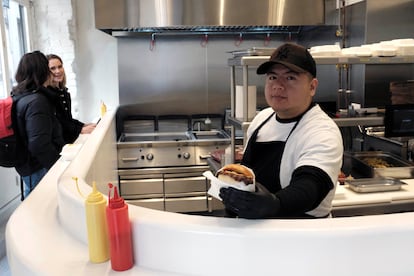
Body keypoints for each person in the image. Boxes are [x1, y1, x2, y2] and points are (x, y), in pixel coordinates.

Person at [219, 43, 344, 219]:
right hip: (257, 231)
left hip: (303, 234)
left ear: (312, 87)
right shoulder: (262, 119)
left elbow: (310, 187)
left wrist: (274, 204)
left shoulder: (322, 131)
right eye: (272, 77)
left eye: (290, 78)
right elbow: (248, 173)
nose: (278, 86)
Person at [12, 51, 65, 198]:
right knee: (41, 206)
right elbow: (38, 144)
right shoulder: (37, 101)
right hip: (38, 166)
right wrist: (57, 166)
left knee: (33, 204)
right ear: (42, 71)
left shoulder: (20, 94)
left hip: (27, 165)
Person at [46, 54, 96, 144]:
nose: (58, 71)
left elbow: (67, 118)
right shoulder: (48, 95)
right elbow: (59, 121)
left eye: (60, 67)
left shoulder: (63, 91)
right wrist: (80, 129)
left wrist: (83, 125)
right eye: (52, 68)